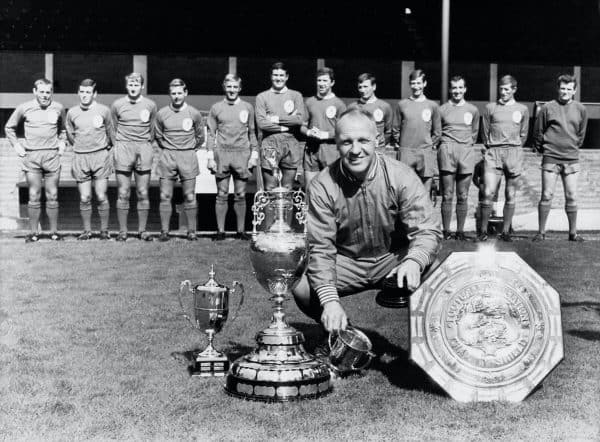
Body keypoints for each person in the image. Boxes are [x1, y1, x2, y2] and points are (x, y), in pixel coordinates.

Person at [292, 109, 442, 333]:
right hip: (347, 262)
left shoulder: (401, 176)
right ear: (336, 144)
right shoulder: (322, 185)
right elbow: (319, 247)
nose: (355, 150)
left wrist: (413, 261)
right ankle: (345, 337)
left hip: (393, 258)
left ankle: (429, 341)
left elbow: (427, 230)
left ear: (377, 141)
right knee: (301, 284)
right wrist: (330, 301)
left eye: (363, 140)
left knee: (436, 274)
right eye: (346, 142)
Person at [5, 78, 66, 242]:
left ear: (52, 92)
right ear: (35, 92)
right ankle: (33, 233)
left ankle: (54, 232)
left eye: (48, 92)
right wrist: (17, 146)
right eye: (42, 92)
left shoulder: (59, 108)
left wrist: (62, 143)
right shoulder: (24, 108)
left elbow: (64, 129)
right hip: (32, 157)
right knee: (34, 194)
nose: (45, 95)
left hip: (52, 157)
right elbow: (9, 127)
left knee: (52, 194)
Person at [532, 74, 588, 242]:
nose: (565, 92)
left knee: (571, 195)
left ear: (574, 91)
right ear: (558, 89)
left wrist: (571, 147)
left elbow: (581, 134)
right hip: (550, 157)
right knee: (547, 194)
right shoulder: (547, 108)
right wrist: (546, 149)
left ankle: (573, 233)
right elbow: (538, 132)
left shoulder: (581, 109)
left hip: (571, 158)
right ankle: (541, 232)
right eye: (562, 88)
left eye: (569, 89)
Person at [206, 74, 259, 241]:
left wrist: (254, 155)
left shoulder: (248, 107)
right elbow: (211, 134)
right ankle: (220, 231)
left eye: (235, 87)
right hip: (222, 153)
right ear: (224, 87)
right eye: (229, 87)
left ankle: (240, 231)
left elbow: (252, 133)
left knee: (241, 194)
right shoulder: (216, 108)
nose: (232, 90)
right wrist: (210, 157)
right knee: (221, 193)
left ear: (240, 88)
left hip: (242, 154)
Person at [479, 75, 529, 242]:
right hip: (494, 153)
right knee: (488, 192)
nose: (503, 92)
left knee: (510, 193)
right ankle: (483, 231)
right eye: (501, 89)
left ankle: (506, 231)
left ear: (514, 89)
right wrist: (493, 146)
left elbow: (523, 135)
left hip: (513, 153)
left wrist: (513, 147)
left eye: (507, 89)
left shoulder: (522, 109)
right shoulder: (490, 108)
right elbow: (484, 134)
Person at [154, 78, 205, 242]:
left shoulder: (194, 113)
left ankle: (191, 231)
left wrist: (189, 149)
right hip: (168, 156)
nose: (176, 96)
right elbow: (158, 136)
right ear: (170, 94)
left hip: (187, 156)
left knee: (189, 196)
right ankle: (164, 231)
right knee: (165, 195)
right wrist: (170, 148)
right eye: (173, 93)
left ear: (185, 93)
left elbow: (200, 137)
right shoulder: (162, 113)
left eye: (179, 93)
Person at [65, 79, 114, 240]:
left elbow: (111, 134)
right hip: (81, 157)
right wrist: (80, 147)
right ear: (78, 93)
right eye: (82, 92)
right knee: (85, 197)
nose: (85, 95)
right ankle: (87, 231)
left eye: (88, 92)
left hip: (100, 156)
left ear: (95, 94)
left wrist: (105, 150)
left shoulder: (104, 111)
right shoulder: (72, 112)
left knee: (101, 196)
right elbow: (71, 135)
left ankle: (104, 230)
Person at [110, 72, 157, 241]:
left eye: (136, 84)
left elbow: (152, 130)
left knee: (143, 192)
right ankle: (123, 231)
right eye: (130, 84)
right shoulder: (117, 105)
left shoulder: (150, 105)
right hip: (123, 148)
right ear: (126, 86)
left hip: (143, 148)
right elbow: (113, 128)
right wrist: (119, 146)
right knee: (123, 192)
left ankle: (142, 230)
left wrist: (143, 145)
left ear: (142, 86)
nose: (133, 87)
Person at [437, 75, 480, 240]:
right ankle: (446, 231)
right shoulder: (442, 110)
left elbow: (474, 134)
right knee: (447, 194)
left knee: (463, 195)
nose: (457, 91)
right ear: (450, 89)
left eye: (460, 88)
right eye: (454, 88)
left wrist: (465, 146)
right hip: (447, 151)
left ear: (465, 89)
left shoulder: (473, 110)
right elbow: (438, 132)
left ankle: (460, 231)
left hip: (466, 152)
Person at [255, 62, 305, 190]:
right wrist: (285, 125)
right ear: (271, 76)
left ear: (287, 77)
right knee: (270, 187)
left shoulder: (296, 96)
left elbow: (299, 120)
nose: (278, 78)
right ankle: (270, 211)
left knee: (288, 187)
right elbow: (262, 123)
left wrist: (274, 118)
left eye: (281, 75)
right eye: (275, 75)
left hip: (291, 143)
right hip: (270, 144)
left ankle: (287, 211)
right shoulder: (262, 97)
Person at [392, 69, 441, 195]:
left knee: (425, 192)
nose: (416, 87)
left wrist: (429, 144)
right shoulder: (402, 104)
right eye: (413, 83)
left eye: (419, 83)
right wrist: (403, 144)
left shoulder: (432, 106)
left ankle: (424, 215)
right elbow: (395, 129)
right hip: (406, 151)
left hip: (425, 152)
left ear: (424, 84)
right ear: (410, 84)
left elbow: (437, 131)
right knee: (405, 190)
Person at [301, 67, 347, 188]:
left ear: (332, 82)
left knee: (331, 189)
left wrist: (325, 135)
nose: (321, 84)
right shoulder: (309, 102)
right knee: (310, 189)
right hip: (312, 150)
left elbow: (344, 130)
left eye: (325, 81)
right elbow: (302, 126)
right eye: (319, 80)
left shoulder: (339, 104)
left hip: (331, 151)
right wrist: (309, 132)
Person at [347, 73, 393, 152]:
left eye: (365, 87)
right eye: (360, 87)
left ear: (374, 87)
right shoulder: (352, 107)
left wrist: (378, 143)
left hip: (378, 151)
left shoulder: (385, 106)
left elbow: (388, 132)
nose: (362, 90)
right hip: (358, 151)